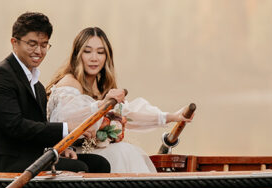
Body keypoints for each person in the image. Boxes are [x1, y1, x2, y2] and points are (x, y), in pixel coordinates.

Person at [46, 27, 193, 173]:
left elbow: (129, 114)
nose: (94, 58)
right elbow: (64, 118)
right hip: (72, 154)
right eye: (87, 51)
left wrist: (172, 116)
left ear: (107, 56)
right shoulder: (70, 82)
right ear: (78, 54)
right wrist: (101, 106)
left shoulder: (100, 87)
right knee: (123, 152)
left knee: (125, 151)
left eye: (100, 52)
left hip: (96, 153)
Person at [0, 12, 111, 174]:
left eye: (44, 45)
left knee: (99, 164)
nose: (38, 51)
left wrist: (58, 148)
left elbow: (39, 128)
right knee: (79, 168)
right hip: (4, 161)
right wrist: (67, 128)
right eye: (32, 44)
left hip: (31, 157)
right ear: (14, 43)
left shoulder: (38, 87)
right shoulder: (0, 76)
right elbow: (15, 126)